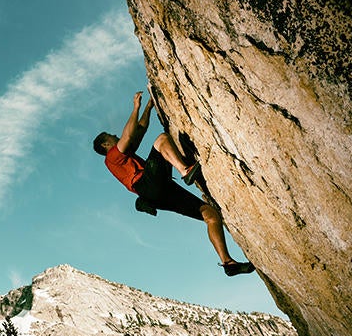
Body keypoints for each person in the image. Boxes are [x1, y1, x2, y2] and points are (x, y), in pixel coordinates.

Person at [93, 88, 255, 277]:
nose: (115, 135)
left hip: (158, 192)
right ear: (106, 145)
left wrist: (149, 107)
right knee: (162, 139)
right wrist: (135, 107)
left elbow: (140, 129)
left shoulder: (124, 156)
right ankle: (185, 170)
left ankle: (228, 263)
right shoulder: (112, 157)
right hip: (147, 185)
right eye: (110, 136)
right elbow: (128, 135)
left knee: (210, 214)